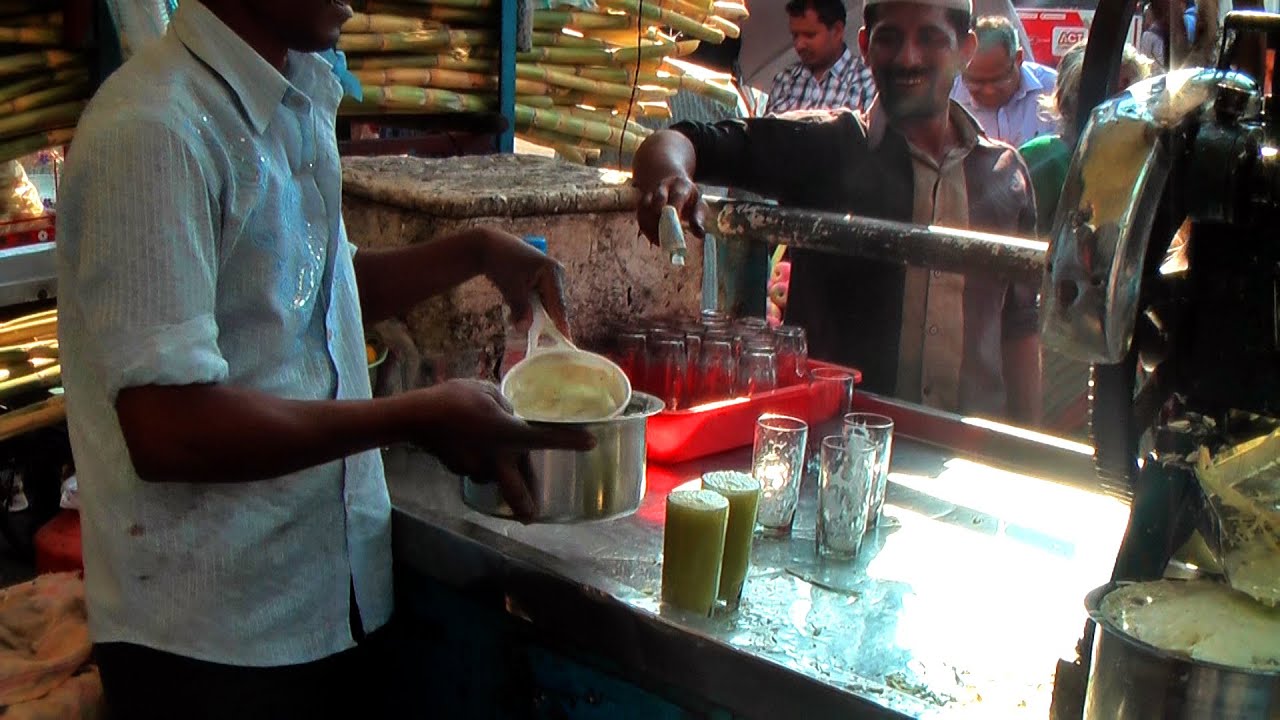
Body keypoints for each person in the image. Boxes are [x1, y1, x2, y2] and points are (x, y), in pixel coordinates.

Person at [55, 0, 594, 717]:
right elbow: (166, 426)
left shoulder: (290, 102)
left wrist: (471, 251)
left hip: (323, 608)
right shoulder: (153, 131)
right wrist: (409, 418)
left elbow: (308, 292)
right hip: (213, 645)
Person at [634, 0, 1043, 425]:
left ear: (965, 49)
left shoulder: (1005, 175)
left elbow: (1020, 326)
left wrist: (1028, 451)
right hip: (840, 440)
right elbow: (684, 140)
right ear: (865, 46)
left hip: (971, 454)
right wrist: (670, 177)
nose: (908, 57)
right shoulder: (825, 146)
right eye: (890, 38)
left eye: (930, 38)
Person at [1018, 40, 1154, 235]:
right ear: (1065, 103)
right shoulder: (1046, 158)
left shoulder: (1146, 161)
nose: (1118, 107)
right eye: (1107, 93)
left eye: (1128, 91)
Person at [951, 15, 1057, 147]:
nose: (989, 91)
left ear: (1018, 59)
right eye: (976, 82)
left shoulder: (1054, 89)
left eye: (998, 80)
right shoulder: (947, 96)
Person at [766, 0, 877, 114]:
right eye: (795, 35)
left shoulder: (867, 80)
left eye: (809, 35)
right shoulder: (784, 81)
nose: (799, 44)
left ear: (837, 31)